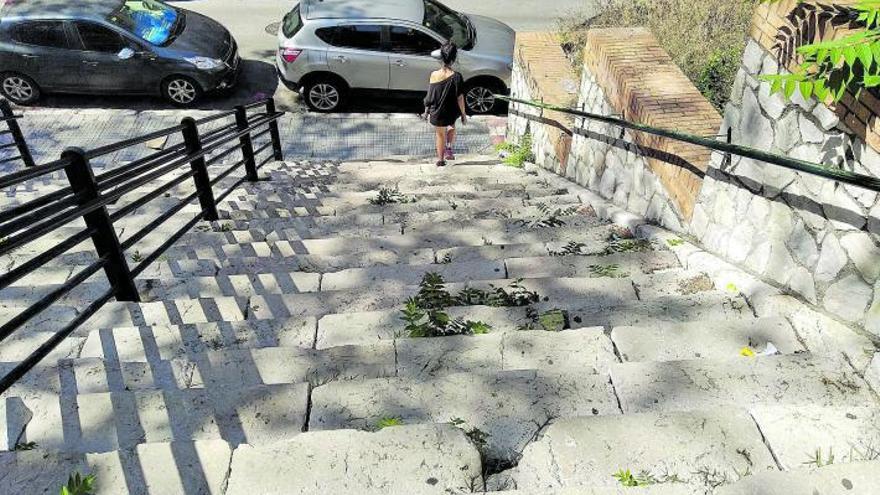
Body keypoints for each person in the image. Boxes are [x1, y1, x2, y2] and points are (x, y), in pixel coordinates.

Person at [424, 42, 467, 167]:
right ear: (454, 58)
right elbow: (460, 98)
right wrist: (463, 114)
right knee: (452, 126)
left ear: (441, 57)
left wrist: (426, 110)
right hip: (451, 110)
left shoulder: (434, 74)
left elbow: (430, 96)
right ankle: (449, 148)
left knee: (440, 135)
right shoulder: (457, 77)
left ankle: (441, 160)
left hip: (437, 111)